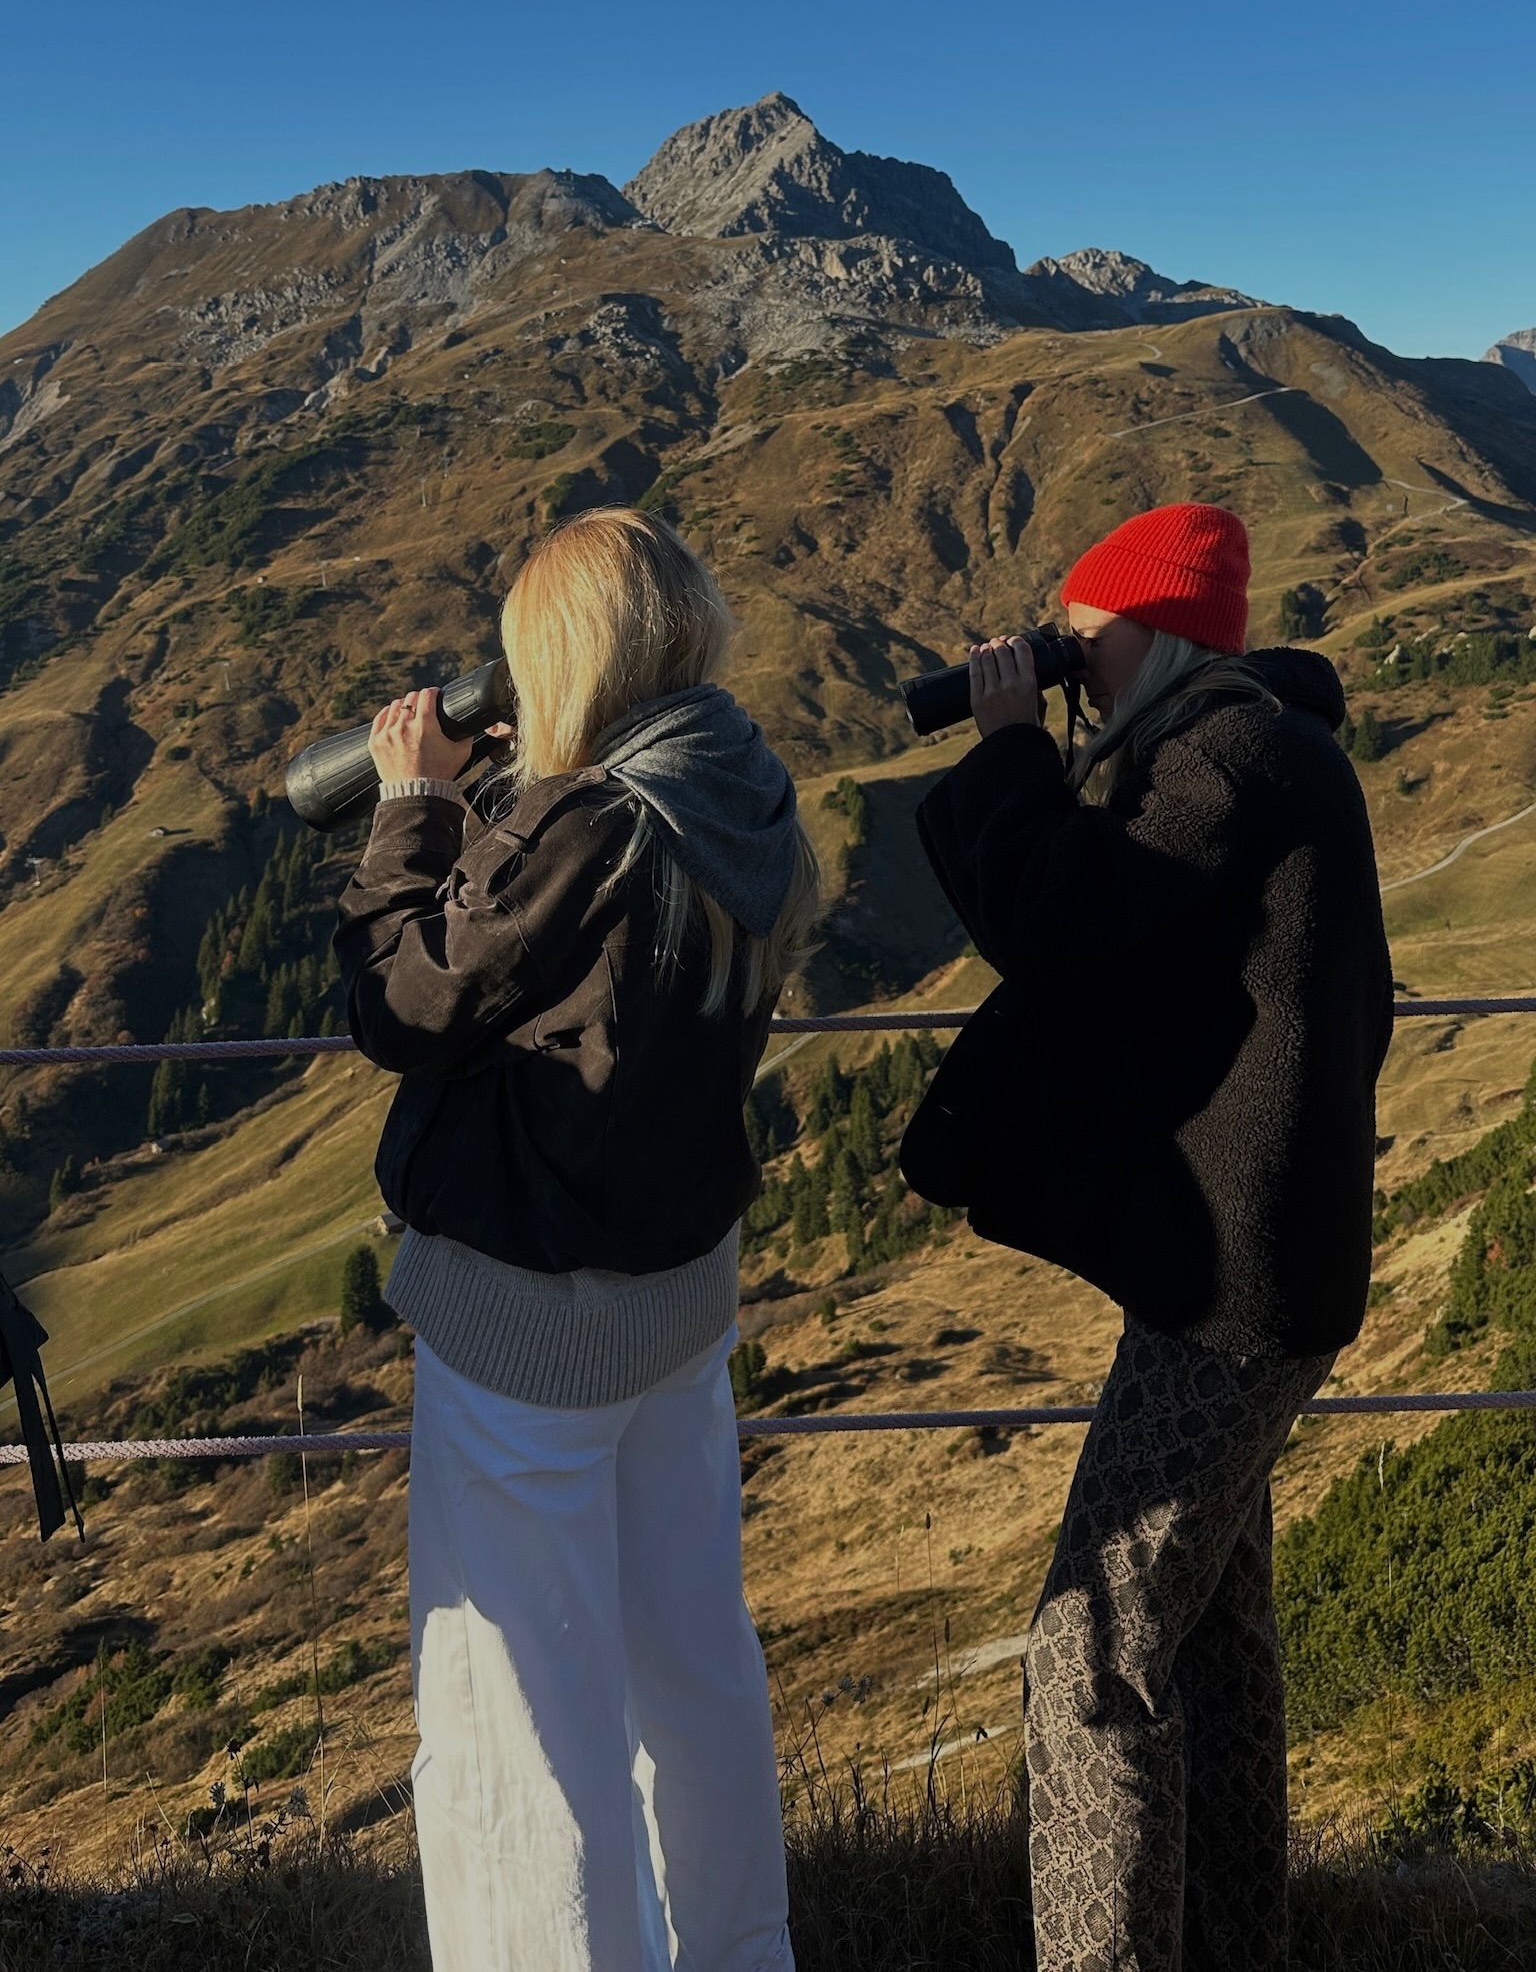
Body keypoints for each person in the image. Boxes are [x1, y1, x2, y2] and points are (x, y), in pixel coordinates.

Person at [902, 501, 1393, 1972]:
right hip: (1260, 1275)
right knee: (1216, 1630)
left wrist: (1005, 743)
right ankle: (1240, 1941)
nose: (1075, 660)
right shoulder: (1257, 751)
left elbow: (1058, 915)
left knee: (1089, 1650)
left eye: (1086, 633)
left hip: (1232, 1298)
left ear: (1155, 633)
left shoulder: (1230, 760)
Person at [334, 506, 819, 1972]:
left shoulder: (586, 824)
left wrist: (415, 808)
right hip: (679, 1310)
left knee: (524, 1736)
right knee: (694, 1671)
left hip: (534, 1337)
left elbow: (405, 1001)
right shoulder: (742, 786)